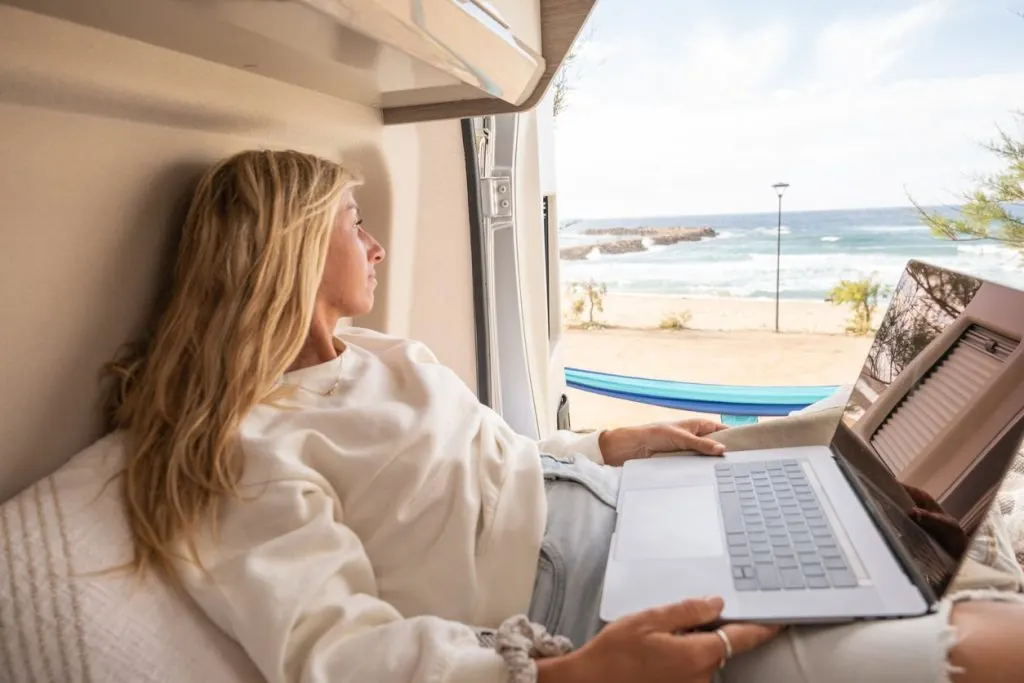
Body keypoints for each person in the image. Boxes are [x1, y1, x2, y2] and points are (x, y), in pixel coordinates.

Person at [106, 149, 1024, 683]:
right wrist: (573, 673)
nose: (376, 242)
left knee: (886, 511)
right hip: (577, 598)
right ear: (290, 252)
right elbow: (333, 652)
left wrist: (610, 442)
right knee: (981, 648)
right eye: (353, 223)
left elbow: (487, 456)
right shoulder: (246, 446)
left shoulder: (375, 353)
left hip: (614, 502)